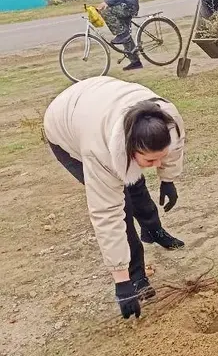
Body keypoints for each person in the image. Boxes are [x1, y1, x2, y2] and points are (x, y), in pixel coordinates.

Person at [43, 76, 187, 319]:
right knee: (124, 206)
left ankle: (153, 230)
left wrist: (168, 179)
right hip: (65, 125)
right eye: (150, 161)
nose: (157, 164)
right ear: (128, 149)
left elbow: (174, 147)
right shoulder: (98, 152)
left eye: (160, 157)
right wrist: (122, 280)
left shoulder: (167, 118)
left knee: (136, 185)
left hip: (99, 100)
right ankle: (137, 275)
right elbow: (107, 216)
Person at [96, 0, 142, 71]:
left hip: (129, 5)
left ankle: (122, 35)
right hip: (122, 4)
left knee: (106, 12)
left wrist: (106, 2)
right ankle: (135, 62)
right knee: (124, 33)